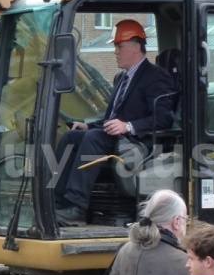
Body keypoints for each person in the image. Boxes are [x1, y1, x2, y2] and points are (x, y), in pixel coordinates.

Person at [54, 19, 175, 226]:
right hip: (114, 136)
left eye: (119, 46)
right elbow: (113, 118)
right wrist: (89, 124)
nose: (115, 52)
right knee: (71, 137)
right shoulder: (121, 78)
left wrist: (128, 126)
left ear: (136, 47)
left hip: (139, 140)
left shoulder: (156, 77)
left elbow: (163, 119)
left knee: (93, 139)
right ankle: (56, 201)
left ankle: (77, 208)